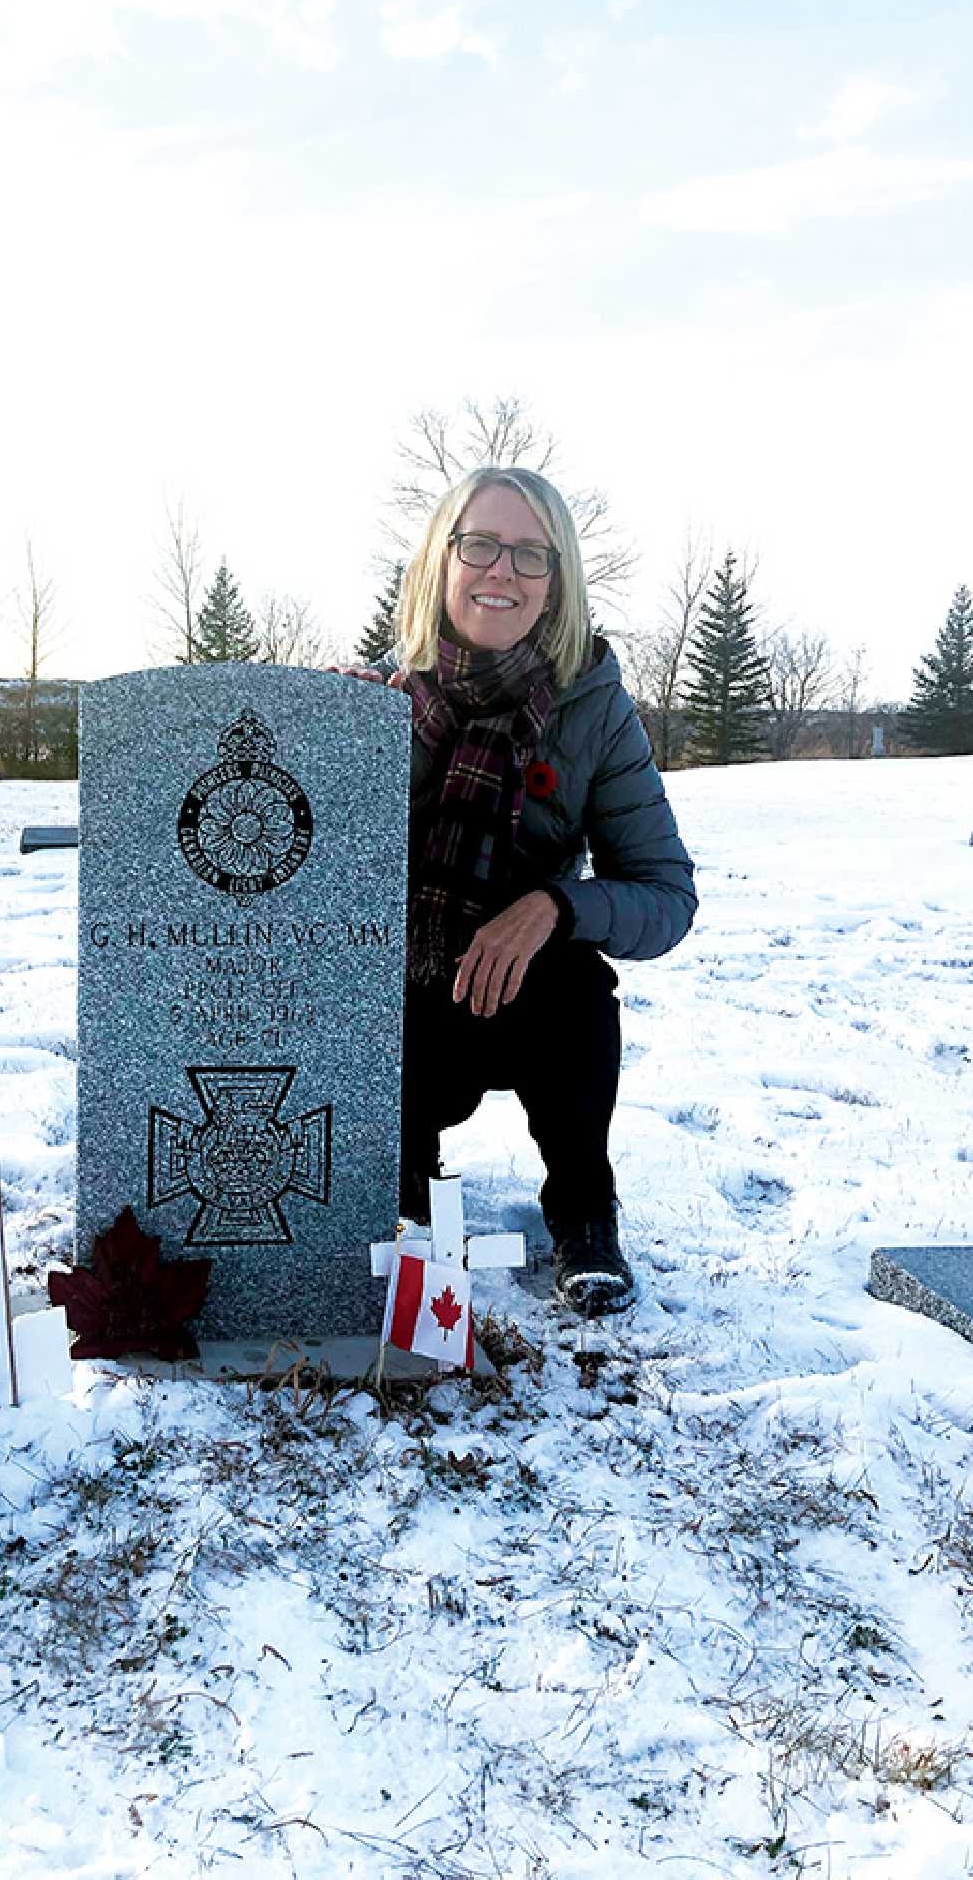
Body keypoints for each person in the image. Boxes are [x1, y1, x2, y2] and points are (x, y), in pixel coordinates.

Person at [343, 466, 697, 1315]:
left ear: (557, 580)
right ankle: (398, 1190)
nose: (503, 571)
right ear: (441, 558)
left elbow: (666, 894)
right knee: (358, 1016)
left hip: (528, 997)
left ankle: (583, 1212)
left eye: (531, 554)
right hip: (403, 999)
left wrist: (555, 906)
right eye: (481, 545)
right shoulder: (371, 699)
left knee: (581, 986)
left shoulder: (595, 705)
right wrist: (322, 739)